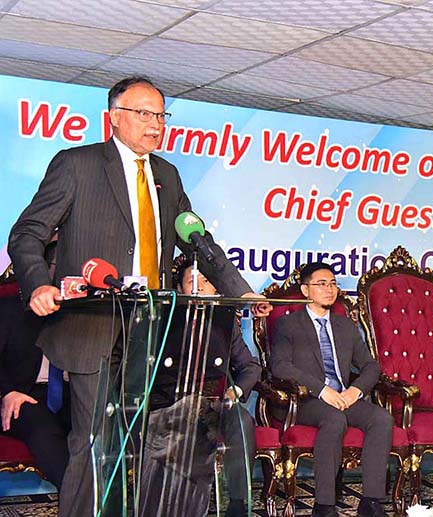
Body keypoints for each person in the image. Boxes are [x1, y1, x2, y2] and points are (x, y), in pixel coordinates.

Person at [7, 76, 270, 516]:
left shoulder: (167, 175)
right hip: (91, 325)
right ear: (115, 117)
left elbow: (197, 241)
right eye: (144, 113)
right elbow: (27, 233)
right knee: (95, 445)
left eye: (161, 115)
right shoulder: (77, 165)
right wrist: (37, 283)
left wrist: (239, 292)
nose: (155, 124)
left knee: (150, 443)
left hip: (150, 332)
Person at [138, 258, 261, 517]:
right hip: (170, 405)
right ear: (180, 289)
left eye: (207, 282)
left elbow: (251, 367)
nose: (201, 288)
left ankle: (237, 505)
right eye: (193, 282)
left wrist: (234, 392)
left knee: (242, 421)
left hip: (216, 403)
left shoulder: (226, 324)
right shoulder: (162, 321)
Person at [271, 262, 393, 517]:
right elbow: (280, 367)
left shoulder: (345, 326)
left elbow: (371, 366)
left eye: (333, 283)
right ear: (305, 290)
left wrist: (355, 392)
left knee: (382, 418)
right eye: (322, 284)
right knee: (334, 419)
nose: (329, 289)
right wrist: (321, 390)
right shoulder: (288, 325)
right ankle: (324, 505)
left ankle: (371, 501)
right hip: (307, 400)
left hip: (343, 397)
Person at [0, 276, 70, 489]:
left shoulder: (83, 308)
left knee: (96, 428)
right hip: (22, 395)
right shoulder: (9, 308)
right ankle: (79, 504)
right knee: (43, 431)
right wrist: (7, 392)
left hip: (74, 391)